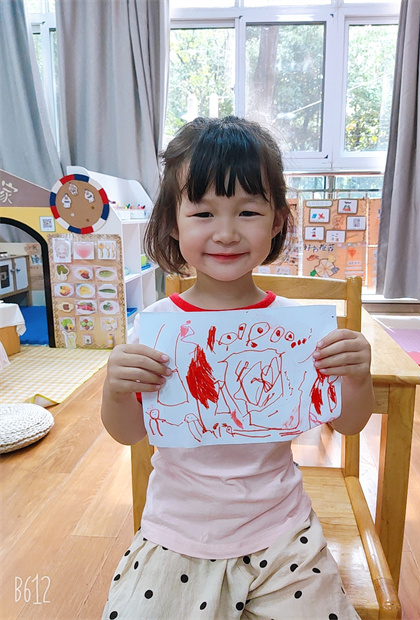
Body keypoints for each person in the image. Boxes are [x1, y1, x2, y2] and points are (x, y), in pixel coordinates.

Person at [101, 116, 375, 620]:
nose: (226, 233)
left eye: (248, 211)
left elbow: (350, 424)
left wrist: (357, 377)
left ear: (277, 221)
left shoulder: (298, 328)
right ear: (172, 222)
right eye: (203, 213)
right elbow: (128, 433)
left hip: (284, 532)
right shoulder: (157, 327)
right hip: (176, 532)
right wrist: (115, 390)